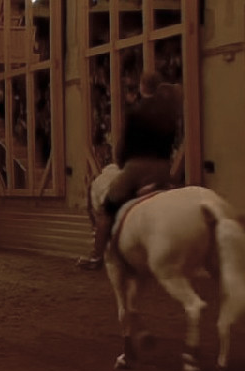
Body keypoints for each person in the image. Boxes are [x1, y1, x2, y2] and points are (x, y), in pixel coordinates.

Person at [77, 72, 183, 270]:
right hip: (162, 169)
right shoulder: (169, 113)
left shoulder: (135, 112)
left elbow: (123, 149)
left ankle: (97, 256)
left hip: (137, 168)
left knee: (107, 208)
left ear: (142, 88)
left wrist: (123, 164)